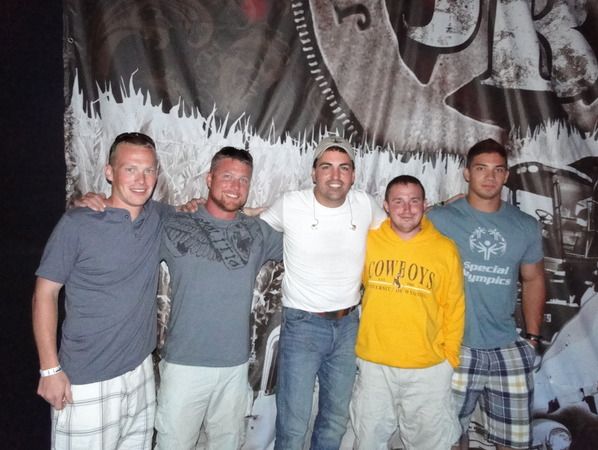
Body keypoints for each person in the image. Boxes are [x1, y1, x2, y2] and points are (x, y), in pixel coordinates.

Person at [33, 132, 170, 449]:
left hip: (140, 374)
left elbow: (204, 212)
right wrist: (49, 369)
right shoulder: (78, 223)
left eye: (148, 170)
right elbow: (44, 294)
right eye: (130, 169)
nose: (141, 180)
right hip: (87, 380)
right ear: (110, 172)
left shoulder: (158, 217)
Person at [260, 136, 387, 450]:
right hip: (303, 325)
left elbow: (402, 225)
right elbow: (254, 226)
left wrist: (445, 206)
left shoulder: (364, 205)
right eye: (327, 167)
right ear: (313, 172)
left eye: (344, 168)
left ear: (353, 175)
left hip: (348, 326)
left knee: (334, 421)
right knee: (293, 424)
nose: (335, 175)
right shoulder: (291, 204)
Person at [154, 147, 283, 450]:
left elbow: (306, 241)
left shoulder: (259, 232)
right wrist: (90, 203)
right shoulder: (174, 224)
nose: (235, 186)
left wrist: (259, 212)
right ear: (209, 178)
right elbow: (133, 217)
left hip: (234, 368)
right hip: (183, 365)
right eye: (227, 177)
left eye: (243, 180)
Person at [427, 139, 546, 450]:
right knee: (448, 439)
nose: (490, 177)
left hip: (506, 347)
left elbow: (533, 279)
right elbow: (402, 225)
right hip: (456, 348)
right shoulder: (440, 220)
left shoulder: (525, 225)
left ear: (506, 175)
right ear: (467, 173)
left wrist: (532, 338)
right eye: (481, 169)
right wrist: (442, 204)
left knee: (514, 442)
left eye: (498, 170)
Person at [350, 175, 465, 450]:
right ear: (386, 205)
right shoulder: (368, 242)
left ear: (425, 204)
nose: (406, 209)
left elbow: (454, 307)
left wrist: (449, 358)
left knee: (430, 444)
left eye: (414, 201)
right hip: (375, 366)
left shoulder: (444, 249)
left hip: (428, 369)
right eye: (398, 201)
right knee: (368, 441)